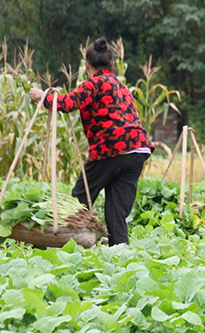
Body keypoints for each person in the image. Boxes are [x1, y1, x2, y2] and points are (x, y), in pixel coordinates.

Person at [29, 37, 153, 246]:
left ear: (87, 65)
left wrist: (43, 96)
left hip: (112, 149)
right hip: (137, 150)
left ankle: (69, 246)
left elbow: (67, 103)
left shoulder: (93, 84)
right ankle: (120, 256)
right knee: (116, 212)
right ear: (111, 65)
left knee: (79, 198)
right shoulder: (121, 86)